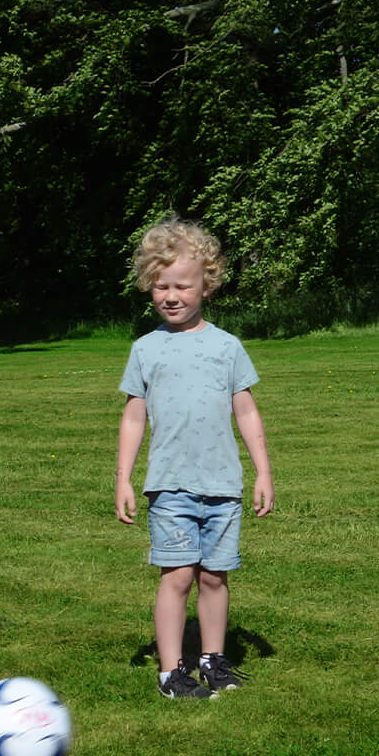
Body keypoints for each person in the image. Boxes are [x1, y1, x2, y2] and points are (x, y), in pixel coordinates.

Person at [115, 218, 274, 698]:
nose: (170, 295)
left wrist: (263, 472)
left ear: (206, 284)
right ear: (148, 286)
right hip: (170, 485)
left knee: (214, 576)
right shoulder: (146, 349)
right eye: (159, 285)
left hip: (223, 486)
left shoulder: (227, 347)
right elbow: (132, 420)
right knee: (178, 574)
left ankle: (213, 660)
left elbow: (246, 412)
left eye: (182, 285)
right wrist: (123, 479)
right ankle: (171, 672)